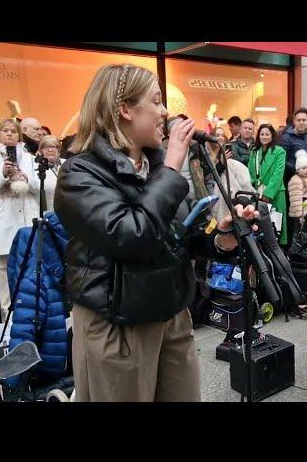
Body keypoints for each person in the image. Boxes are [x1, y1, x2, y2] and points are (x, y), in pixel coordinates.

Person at [53, 64, 257, 402]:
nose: (165, 112)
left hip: (171, 312)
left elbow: (178, 235)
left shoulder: (158, 165)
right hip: (118, 321)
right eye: (156, 101)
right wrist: (172, 168)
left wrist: (221, 238)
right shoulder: (79, 174)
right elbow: (132, 236)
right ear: (125, 110)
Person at [0, 119, 40, 321]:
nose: (9, 134)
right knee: (5, 270)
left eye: (13, 131)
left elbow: (39, 187)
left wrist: (25, 178)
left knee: (30, 267)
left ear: (19, 135)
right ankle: (8, 316)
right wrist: (3, 174)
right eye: (5, 130)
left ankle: (31, 312)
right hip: (4, 219)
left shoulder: (30, 158)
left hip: (26, 217)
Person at [248, 124, 287, 244]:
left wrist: (267, 193)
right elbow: (249, 171)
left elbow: (278, 174)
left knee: (276, 225)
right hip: (257, 191)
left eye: (267, 134)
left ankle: (278, 250)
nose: (264, 137)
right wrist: (254, 185)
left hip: (274, 192)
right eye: (262, 134)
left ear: (272, 136)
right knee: (259, 225)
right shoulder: (254, 152)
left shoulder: (279, 152)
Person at [287, 150, 307, 244]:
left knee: (304, 234)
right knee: (297, 234)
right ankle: (294, 251)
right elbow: (296, 199)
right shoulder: (296, 180)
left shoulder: (306, 179)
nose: (306, 170)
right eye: (303, 168)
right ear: (297, 169)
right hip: (299, 214)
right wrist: (300, 215)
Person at [281, 108, 307, 182]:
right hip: (291, 180)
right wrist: (299, 169)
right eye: (299, 120)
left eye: (304, 120)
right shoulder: (286, 138)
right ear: (294, 121)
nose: (301, 122)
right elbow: (282, 160)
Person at [37, 135, 64, 213]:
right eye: (46, 147)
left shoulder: (68, 163)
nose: (50, 149)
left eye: (53, 147)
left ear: (58, 150)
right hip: (47, 210)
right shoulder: (36, 166)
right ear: (41, 151)